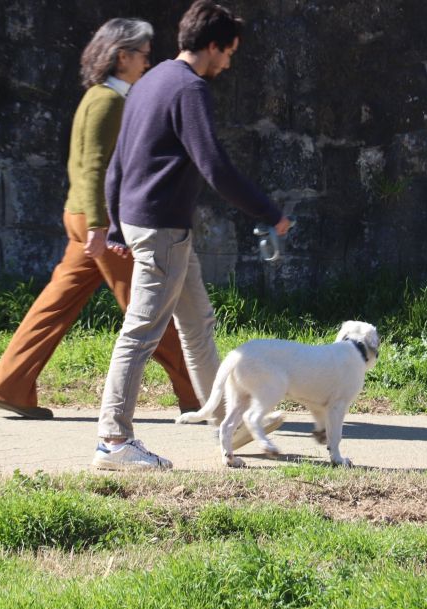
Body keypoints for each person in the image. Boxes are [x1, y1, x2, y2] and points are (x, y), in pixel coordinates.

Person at [89, 0, 292, 470]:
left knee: (197, 324)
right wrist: (269, 212)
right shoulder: (189, 89)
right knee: (140, 334)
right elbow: (215, 166)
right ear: (213, 45)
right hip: (162, 228)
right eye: (229, 52)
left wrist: (119, 224)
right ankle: (113, 441)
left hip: (158, 225)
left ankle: (228, 423)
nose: (228, 62)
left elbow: (118, 161)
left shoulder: (151, 80)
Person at [0, 18, 201, 420]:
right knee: (151, 307)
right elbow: (96, 168)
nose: (147, 65)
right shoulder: (108, 101)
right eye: (143, 56)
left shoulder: (98, 96)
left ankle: (11, 385)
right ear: (123, 56)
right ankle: (200, 395)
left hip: (83, 217)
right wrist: (102, 227)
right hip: (100, 223)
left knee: (55, 305)